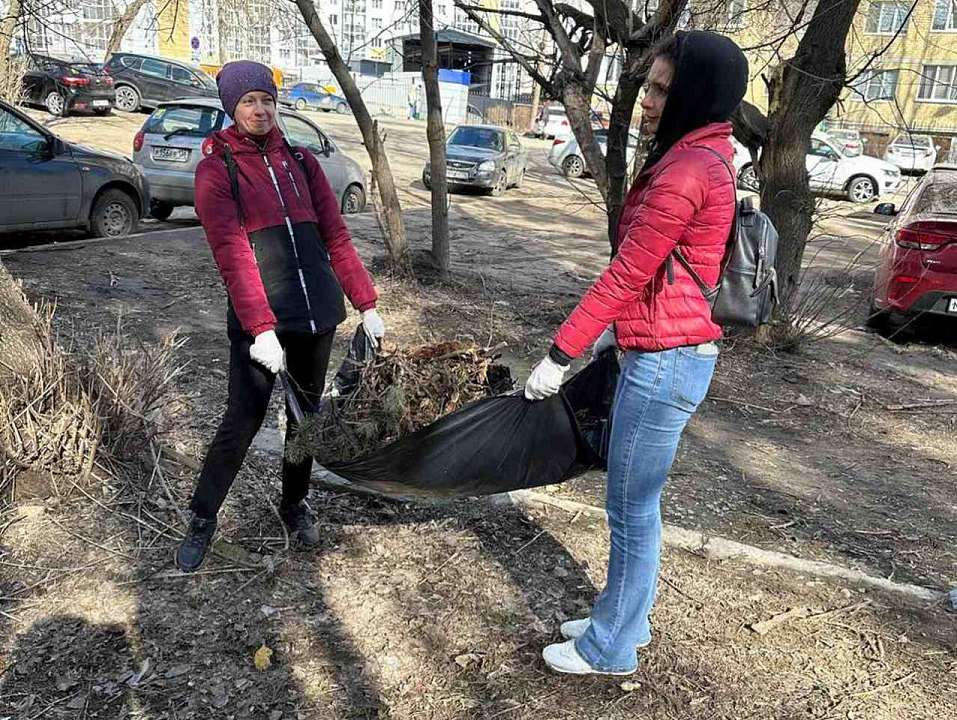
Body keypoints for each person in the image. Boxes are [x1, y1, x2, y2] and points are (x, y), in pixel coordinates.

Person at [523, 31, 748, 675]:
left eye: (660, 89)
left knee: (629, 507)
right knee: (636, 505)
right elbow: (650, 277)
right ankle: (626, 617)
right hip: (665, 348)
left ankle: (610, 646)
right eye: (647, 85)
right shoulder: (703, 156)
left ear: (694, 95)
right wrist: (606, 335)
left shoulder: (684, 170)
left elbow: (626, 274)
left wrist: (560, 354)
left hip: (665, 360)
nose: (646, 100)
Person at [176, 61, 385, 573]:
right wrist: (261, 328)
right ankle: (203, 518)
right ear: (231, 106)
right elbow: (232, 254)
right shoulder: (218, 169)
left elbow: (336, 237)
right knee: (242, 421)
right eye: (249, 100)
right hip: (261, 326)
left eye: (267, 99)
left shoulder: (301, 161)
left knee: (304, 422)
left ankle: (294, 505)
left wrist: (367, 303)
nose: (260, 109)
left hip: (317, 315)